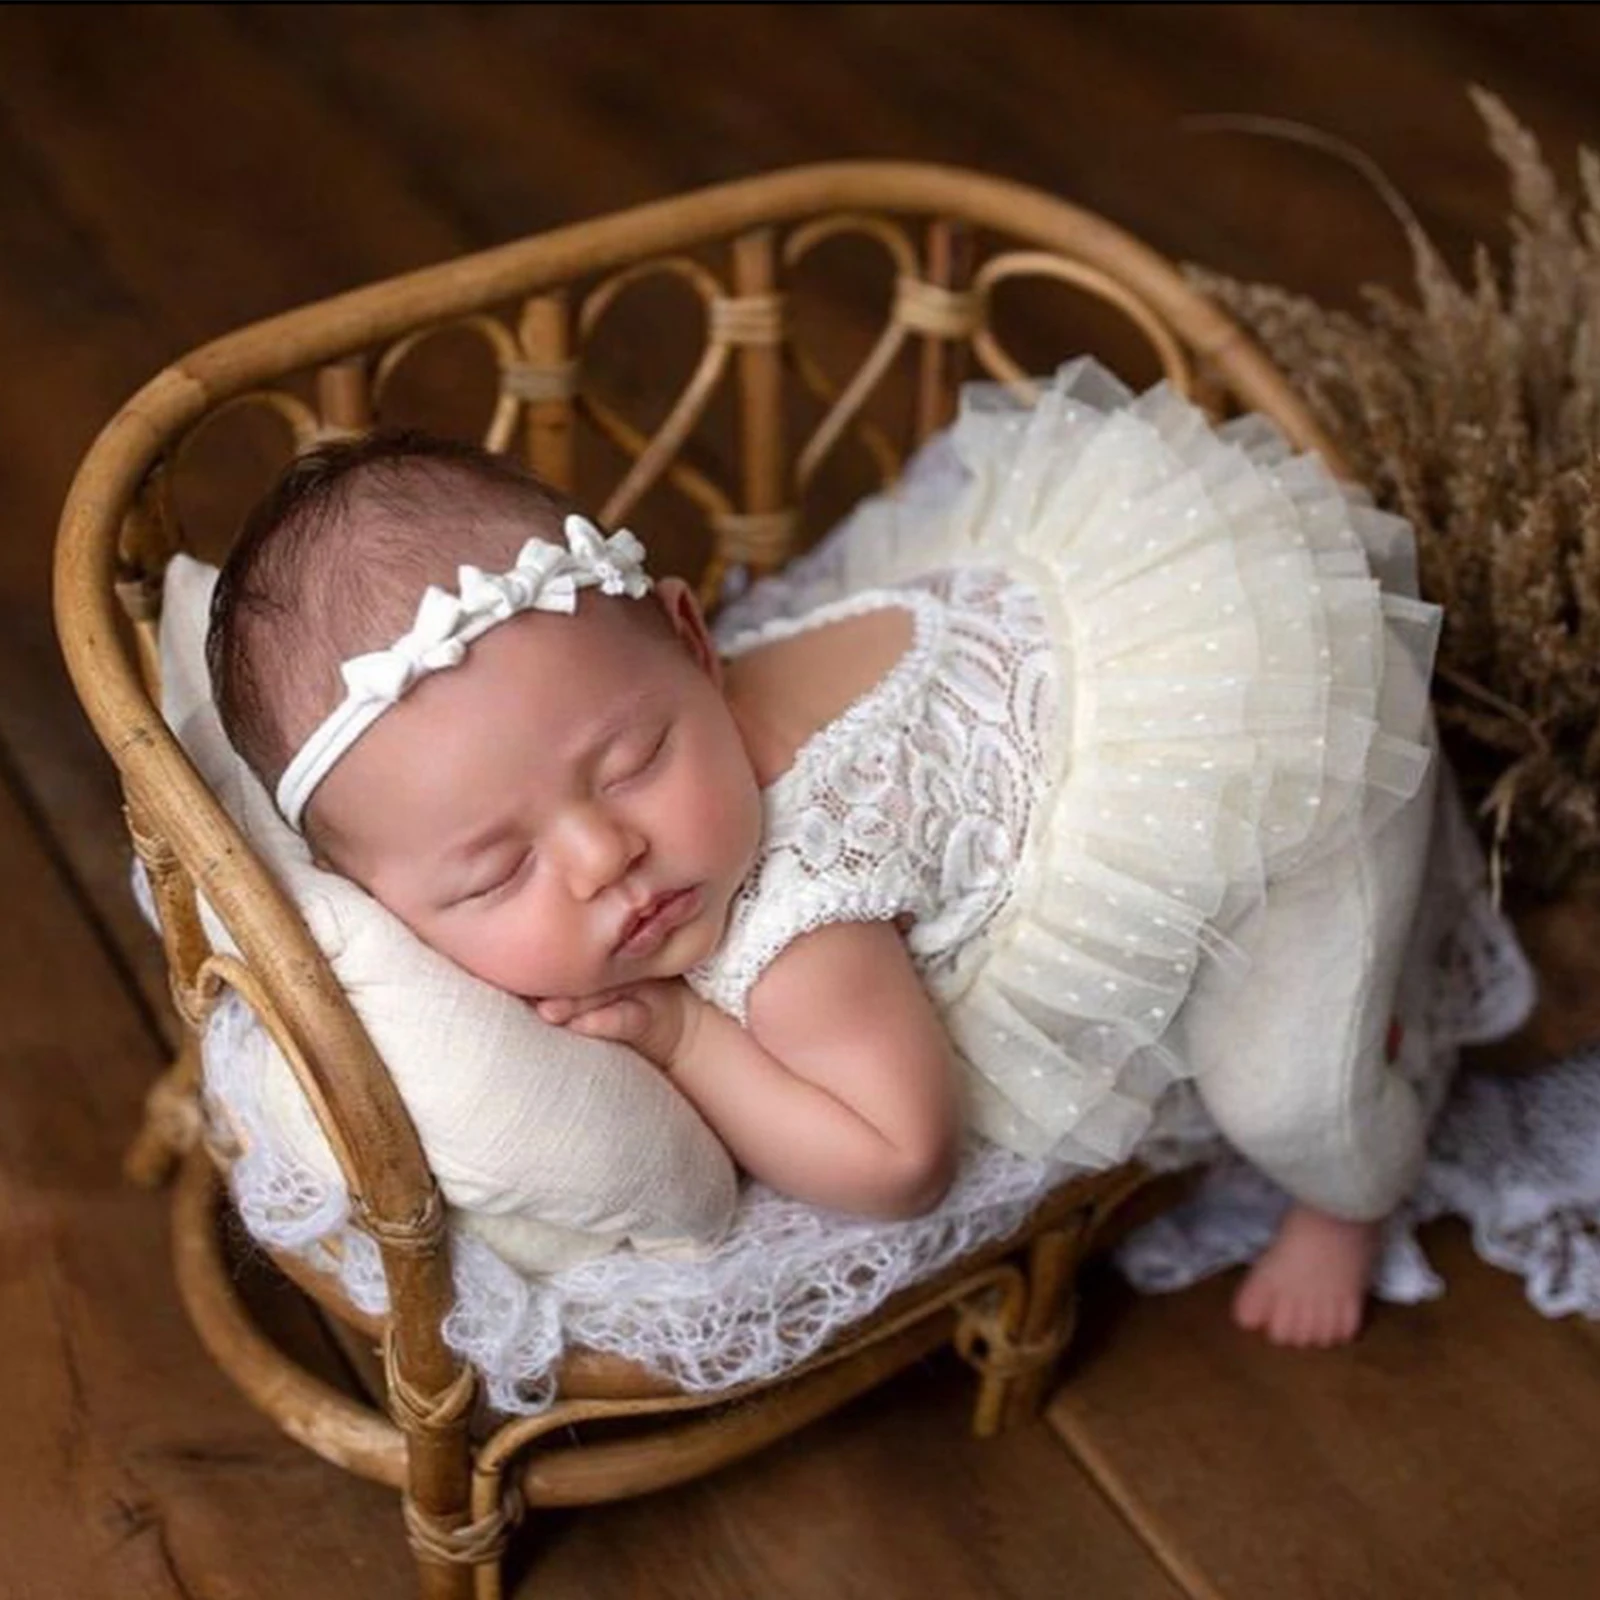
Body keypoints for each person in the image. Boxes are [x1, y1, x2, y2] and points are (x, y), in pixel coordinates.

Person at [208, 362, 1443, 1347]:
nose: (604, 854)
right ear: (377, 901)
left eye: (633, 761)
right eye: (494, 872)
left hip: (1263, 750)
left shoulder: (799, 920)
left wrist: (689, 1037)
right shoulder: (623, 702)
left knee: (1290, 1079)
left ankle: (1355, 1188)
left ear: (696, 643)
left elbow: (902, 1158)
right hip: (1087, 601)